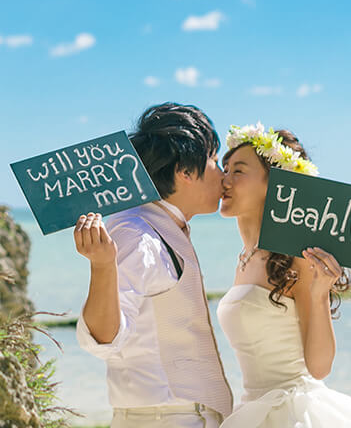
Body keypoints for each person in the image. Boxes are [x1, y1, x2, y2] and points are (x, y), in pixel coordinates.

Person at [216, 123, 351, 427]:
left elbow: (319, 367)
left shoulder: (296, 259)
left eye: (238, 171)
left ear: (275, 185)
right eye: (224, 168)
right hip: (252, 410)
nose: (223, 179)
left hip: (293, 412)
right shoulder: (245, 257)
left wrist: (320, 293)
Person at [74, 102, 233, 427]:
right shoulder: (139, 233)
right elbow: (104, 339)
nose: (222, 173)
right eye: (213, 160)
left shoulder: (156, 226)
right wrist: (102, 267)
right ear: (185, 172)